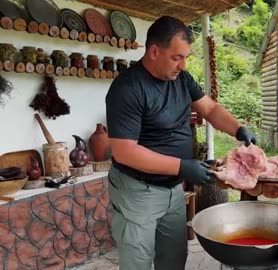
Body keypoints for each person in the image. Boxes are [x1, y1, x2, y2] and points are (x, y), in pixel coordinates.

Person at [105, 16, 257, 270]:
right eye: (177, 57)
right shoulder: (127, 88)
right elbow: (124, 152)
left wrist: (238, 129)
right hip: (136, 190)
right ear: (154, 51)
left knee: (174, 259)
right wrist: (182, 167)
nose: (183, 65)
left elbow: (210, 108)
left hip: (172, 189)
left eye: (186, 57)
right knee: (137, 263)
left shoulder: (182, 79)